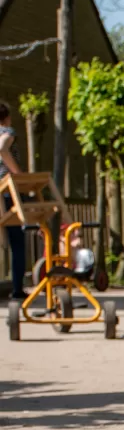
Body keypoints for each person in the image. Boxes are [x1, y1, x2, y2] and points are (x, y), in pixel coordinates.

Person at [0, 100, 26, 300]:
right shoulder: (7, 131)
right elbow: (3, 148)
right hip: (8, 191)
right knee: (17, 240)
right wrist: (17, 173)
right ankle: (17, 290)